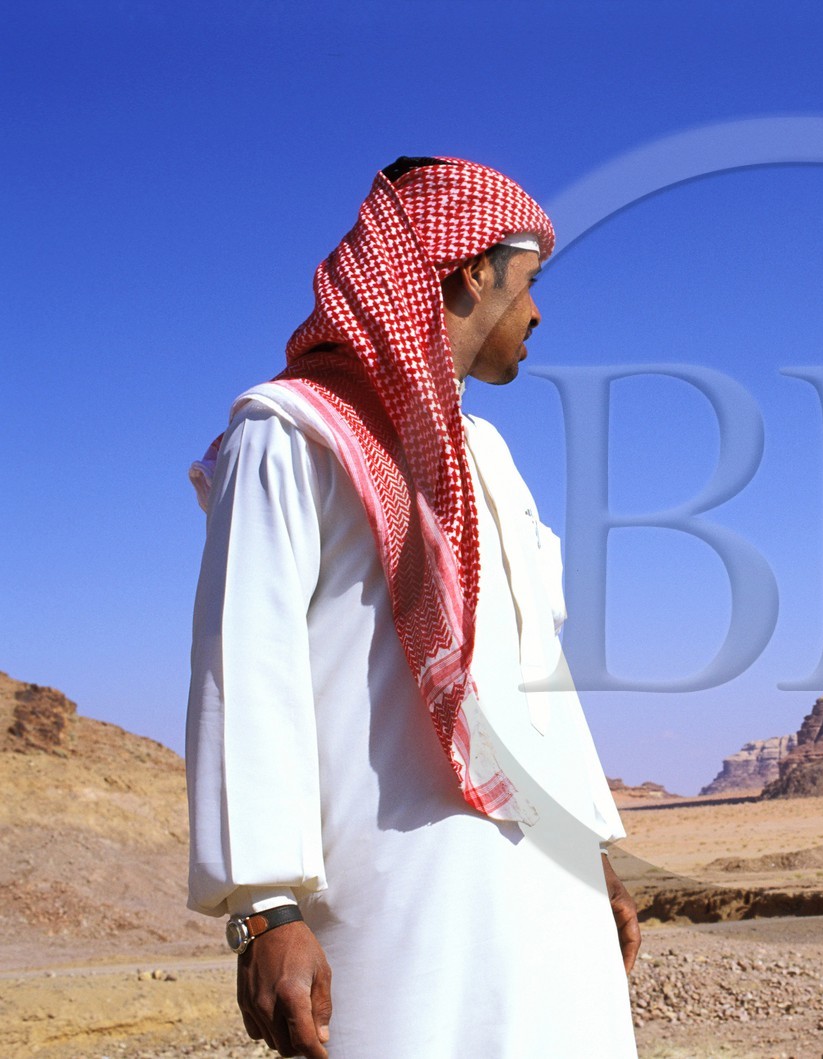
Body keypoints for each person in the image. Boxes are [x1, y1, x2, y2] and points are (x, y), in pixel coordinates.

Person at [184, 156, 640, 1059]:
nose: (539, 312)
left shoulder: (488, 453)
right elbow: (247, 659)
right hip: (399, 900)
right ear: (472, 269)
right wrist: (264, 906)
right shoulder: (290, 433)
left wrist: (593, 850)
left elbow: (533, 669)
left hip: (548, 892)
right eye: (529, 282)